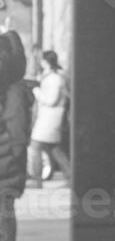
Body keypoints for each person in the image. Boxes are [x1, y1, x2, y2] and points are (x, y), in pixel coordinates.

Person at [0, 31, 39, 241]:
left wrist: (13, 166)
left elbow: (16, 135)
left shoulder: (12, 89)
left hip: (4, 169)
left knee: (3, 226)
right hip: (6, 166)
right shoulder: (11, 87)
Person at [28, 51, 71, 185]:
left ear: (46, 61)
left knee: (35, 147)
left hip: (49, 118)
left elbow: (51, 100)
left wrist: (37, 92)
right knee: (55, 149)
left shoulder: (54, 79)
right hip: (49, 118)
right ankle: (71, 177)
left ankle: (37, 180)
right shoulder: (53, 77)